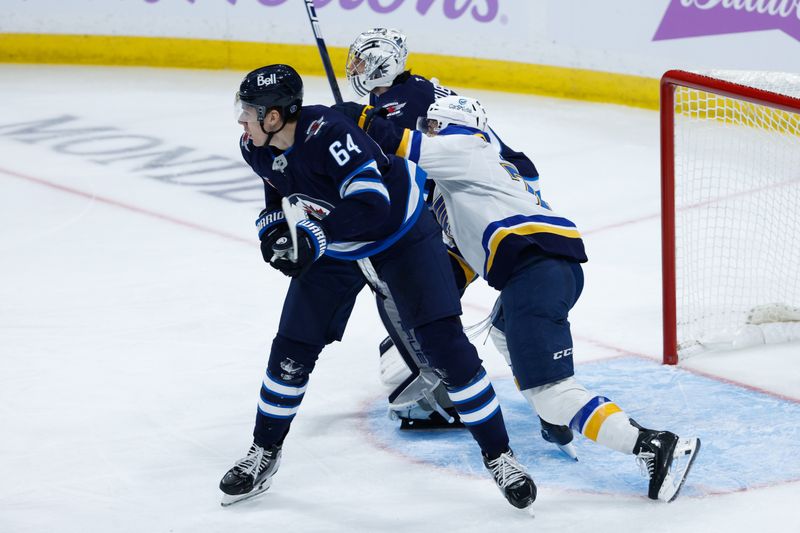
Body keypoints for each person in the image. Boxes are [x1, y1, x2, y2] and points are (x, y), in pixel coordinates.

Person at [342, 94, 701, 503]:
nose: (427, 132)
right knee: (501, 331)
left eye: (432, 126)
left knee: (552, 392)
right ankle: (556, 414)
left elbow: (395, 139)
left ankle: (654, 445)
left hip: (537, 271)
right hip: (539, 271)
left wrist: (358, 119)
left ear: (448, 127)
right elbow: (463, 261)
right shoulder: (459, 186)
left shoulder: (467, 149)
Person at [218, 64, 536, 510]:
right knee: (291, 347)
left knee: (446, 348)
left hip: (401, 236)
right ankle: (264, 451)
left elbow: (371, 203)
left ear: (275, 117)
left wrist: (314, 238)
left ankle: (501, 457)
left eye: (248, 111)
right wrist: (273, 230)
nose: (241, 120)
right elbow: (276, 186)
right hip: (337, 243)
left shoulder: (330, 133)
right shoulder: (256, 146)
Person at [340, 27, 576, 458]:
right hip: (480, 204)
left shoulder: (403, 99)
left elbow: (393, 148)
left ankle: (456, 385)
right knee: (497, 315)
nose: (352, 70)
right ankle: (542, 399)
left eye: (359, 62)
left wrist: (346, 124)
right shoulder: (408, 94)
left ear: (381, 63)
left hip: (484, 210)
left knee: (409, 294)